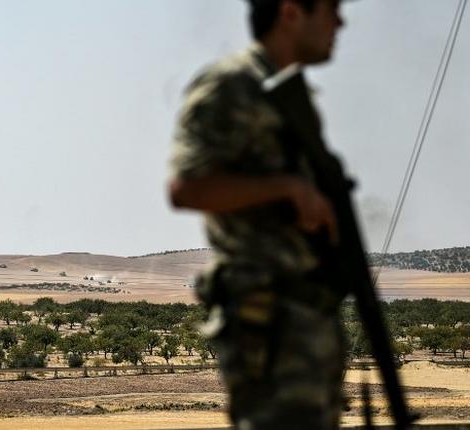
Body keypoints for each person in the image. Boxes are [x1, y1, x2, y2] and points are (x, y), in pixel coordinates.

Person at [169, 0, 349, 429]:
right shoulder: (233, 84)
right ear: (291, 11)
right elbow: (187, 187)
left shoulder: (288, 94)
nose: (340, 22)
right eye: (330, 8)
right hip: (267, 322)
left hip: (304, 317)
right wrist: (287, 188)